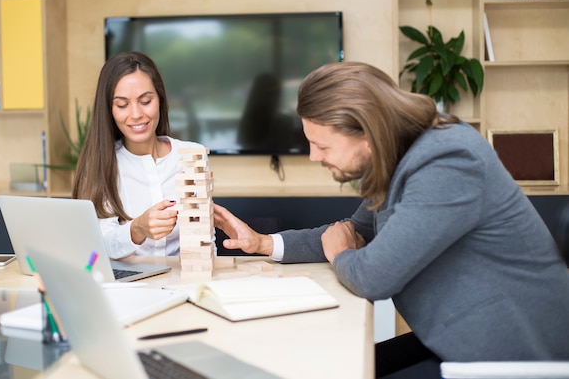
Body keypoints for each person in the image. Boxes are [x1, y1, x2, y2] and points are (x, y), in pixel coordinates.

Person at [214, 62, 569, 378]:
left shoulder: (447, 160)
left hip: (511, 353)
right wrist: (261, 242)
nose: (312, 157)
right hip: (457, 334)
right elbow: (353, 232)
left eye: (321, 146)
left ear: (366, 135)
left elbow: (374, 276)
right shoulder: (400, 157)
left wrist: (341, 256)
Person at [73, 51, 206, 258]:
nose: (136, 114)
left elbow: (204, 239)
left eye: (145, 101)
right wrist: (137, 229)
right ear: (109, 109)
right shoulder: (99, 165)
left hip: (183, 281)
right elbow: (98, 245)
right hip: (128, 285)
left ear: (160, 99)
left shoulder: (192, 155)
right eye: (122, 105)